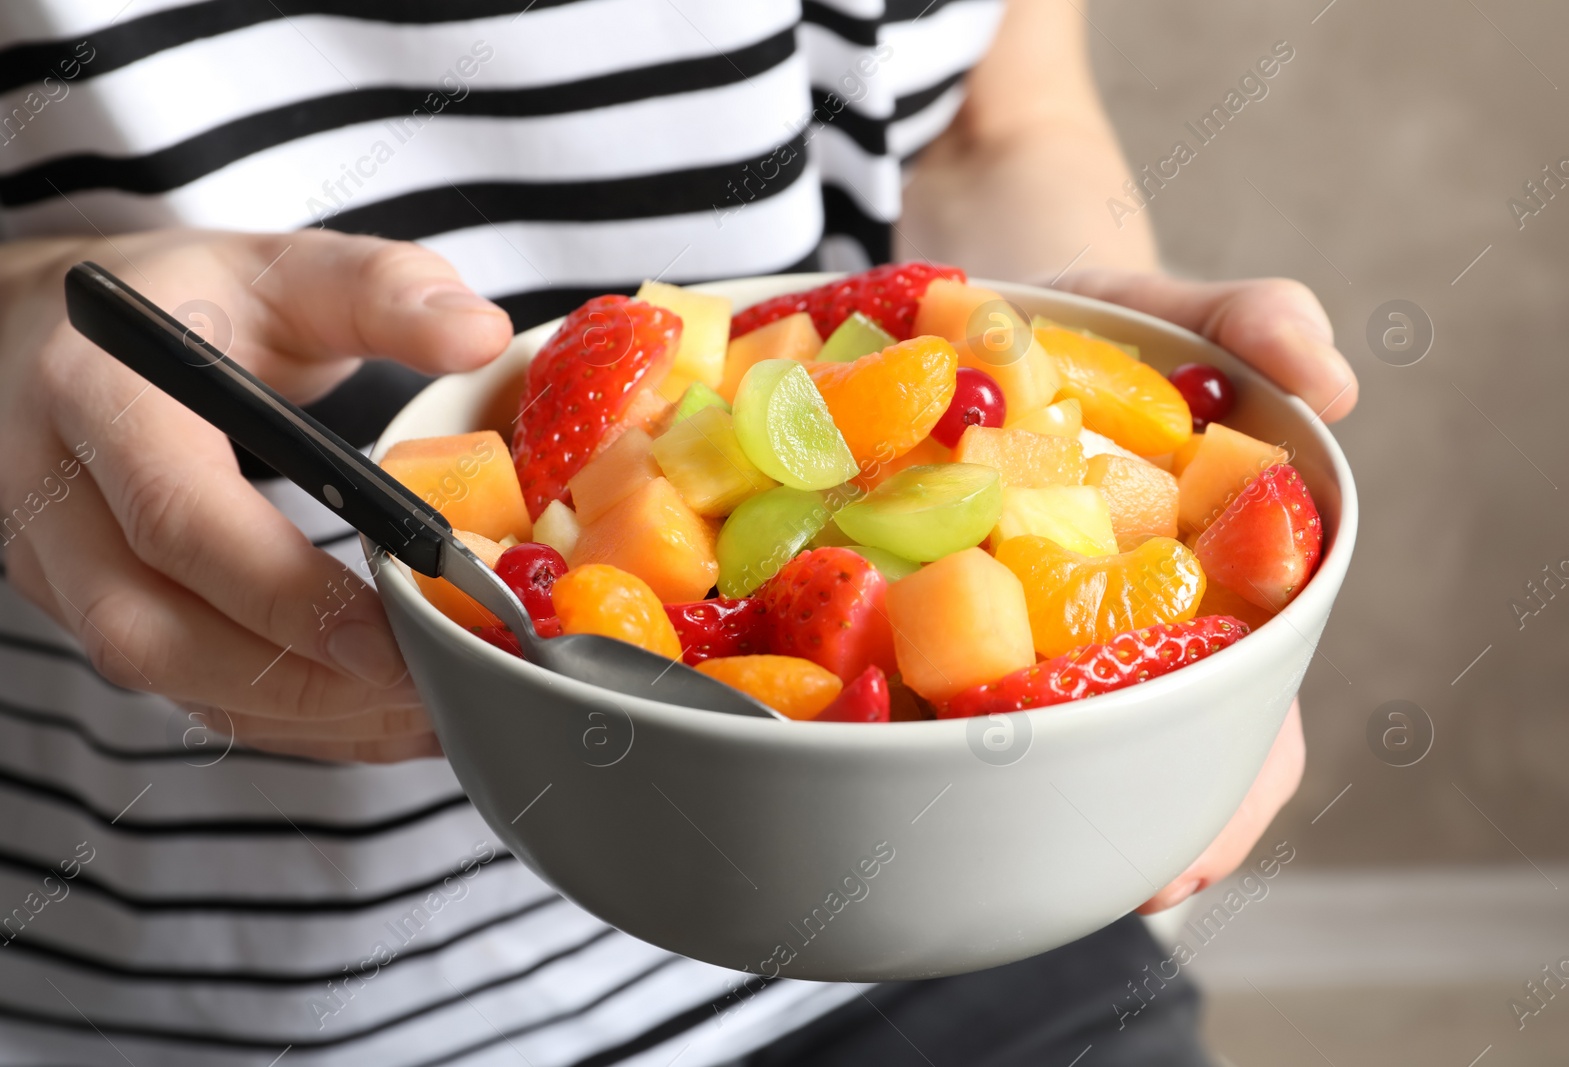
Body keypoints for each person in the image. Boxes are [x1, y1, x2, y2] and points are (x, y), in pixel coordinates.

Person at [0, 1, 1354, 1064]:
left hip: (946, 908)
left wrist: (1048, 327)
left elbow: (988, 125)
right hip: (222, 1005)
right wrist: (18, 330)